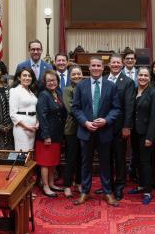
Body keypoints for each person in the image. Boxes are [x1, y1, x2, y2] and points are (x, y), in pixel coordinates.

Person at [71, 57, 121, 206]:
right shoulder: (81, 85)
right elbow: (75, 108)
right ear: (89, 67)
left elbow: (116, 108)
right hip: (86, 131)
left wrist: (106, 120)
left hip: (104, 131)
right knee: (85, 163)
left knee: (105, 163)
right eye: (93, 65)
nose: (96, 68)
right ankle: (85, 192)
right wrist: (85, 122)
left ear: (103, 67)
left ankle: (107, 192)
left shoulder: (111, 86)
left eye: (98, 65)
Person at [126, 67, 155, 205]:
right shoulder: (134, 91)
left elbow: (154, 117)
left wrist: (150, 137)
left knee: (146, 162)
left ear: (149, 77)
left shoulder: (153, 93)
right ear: (137, 76)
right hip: (135, 132)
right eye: (140, 75)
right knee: (138, 159)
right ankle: (140, 185)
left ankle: (147, 191)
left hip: (146, 133)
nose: (143, 78)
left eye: (146, 75)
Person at [106, 54, 135, 201]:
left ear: (122, 64)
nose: (116, 65)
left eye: (118, 62)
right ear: (109, 64)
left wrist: (127, 126)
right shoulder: (103, 79)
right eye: (113, 62)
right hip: (104, 127)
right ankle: (108, 186)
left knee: (120, 158)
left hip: (120, 127)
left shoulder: (128, 82)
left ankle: (119, 187)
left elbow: (129, 106)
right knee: (106, 158)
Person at [36, 70, 66, 197]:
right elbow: (42, 116)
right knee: (45, 162)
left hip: (57, 134)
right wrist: (46, 135)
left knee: (53, 161)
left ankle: (52, 183)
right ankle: (46, 186)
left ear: (58, 81)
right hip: (46, 135)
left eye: (54, 80)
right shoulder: (43, 95)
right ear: (44, 83)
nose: (51, 83)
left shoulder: (58, 93)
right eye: (48, 81)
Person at [62, 64, 83, 198]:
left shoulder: (86, 87)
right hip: (72, 129)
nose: (76, 76)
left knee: (82, 158)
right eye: (73, 74)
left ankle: (79, 182)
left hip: (85, 129)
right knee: (71, 158)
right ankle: (67, 185)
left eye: (78, 74)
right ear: (70, 76)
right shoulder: (67, 89)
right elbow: (71, 109)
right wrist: (86, 118)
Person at [9, 67, 38, 151]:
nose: (27, 78)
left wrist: (37, 122)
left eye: (29, 76)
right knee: (22, 155)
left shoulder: (31, 92)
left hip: (32, 126)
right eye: (24, 75)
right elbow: (13, 114)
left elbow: (34, 108)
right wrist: (26, 126)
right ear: (19, 77)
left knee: (29, 155)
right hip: (22, 127)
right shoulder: (14, 91)